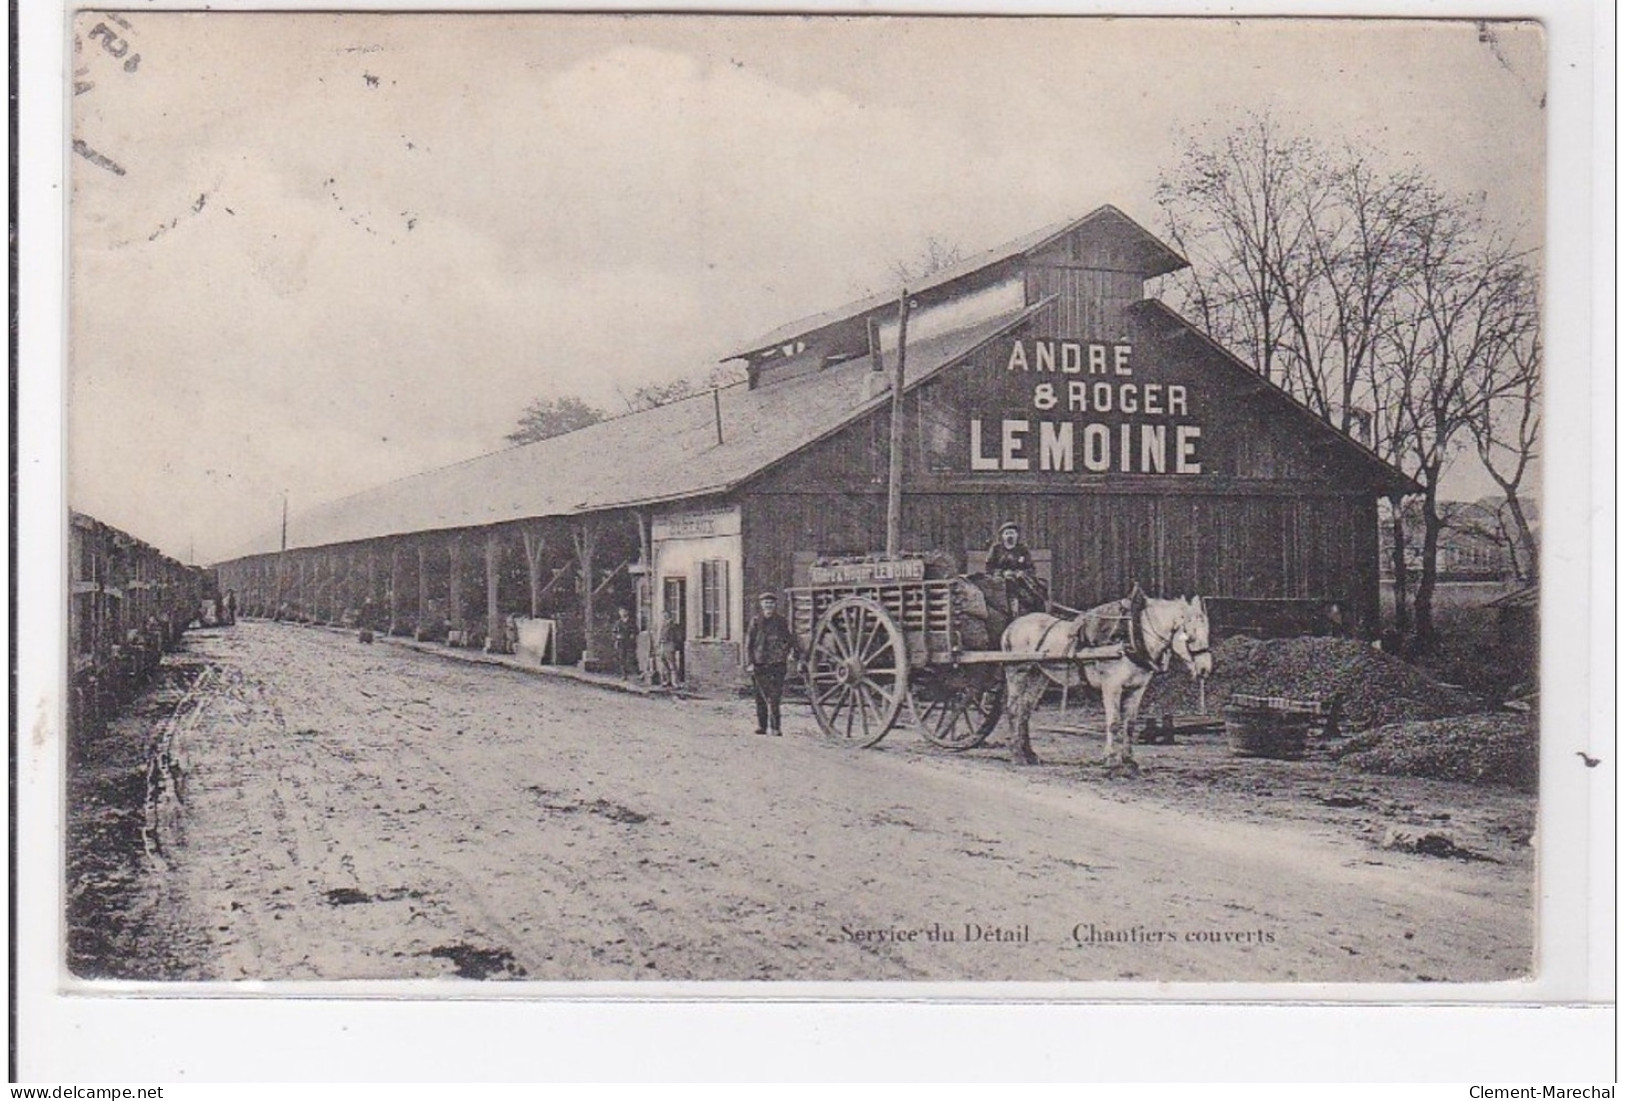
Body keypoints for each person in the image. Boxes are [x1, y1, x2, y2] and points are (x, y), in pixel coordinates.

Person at [745, 591, 802, 736]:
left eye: (771, 603)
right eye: (766, 603)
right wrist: (750, 663)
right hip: (760, 663)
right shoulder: (756, 621)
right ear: (761, 605)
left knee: (775, 697)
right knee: (760, 697)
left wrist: (789, 653)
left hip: (777, 663)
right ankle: (762, 726)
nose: (768, 606)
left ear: (774, 605)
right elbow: (749, 643)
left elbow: (788, 639)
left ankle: (776, 728)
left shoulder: (781, 621)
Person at [986, 521, 1046, 615]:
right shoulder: (996, 548)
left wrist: (1022, 573)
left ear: (1017, 535)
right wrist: (1001, 573)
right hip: (1000, 579)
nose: (1010, 536)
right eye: (1007, 533)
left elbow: (1030, 567)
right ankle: (1012, 612)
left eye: (1012, 533)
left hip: (1019, 579)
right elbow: (989, 567)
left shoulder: (1022, 549)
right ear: (1002, 536)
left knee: (1035, 595)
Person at [656, 607, 684, 688]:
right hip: (663, 644)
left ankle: (675, 682)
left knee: (672, 664)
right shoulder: (663, 625)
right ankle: (667, 681)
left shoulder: (673, 625)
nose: (664, 617)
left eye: (666, 615)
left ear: (669, 615)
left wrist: (675, 644)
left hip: (670, 644)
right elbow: (660, 635)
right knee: (664, 663)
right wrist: (658, 643)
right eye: (663, 615)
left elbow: (678, 636)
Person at [610, 606, 639, 679]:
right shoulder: (618, 623)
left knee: (631, 658)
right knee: (622, 658)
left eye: (623, 611)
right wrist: (617, 637)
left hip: (629, 642)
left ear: (627, 612)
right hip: (621, 643)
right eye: (621, 612)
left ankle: (634, 674)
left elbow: (636, 630)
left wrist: (632, 635)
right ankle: (624, 674)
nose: (622, 613)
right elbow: (614, 632)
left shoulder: (631, 622)